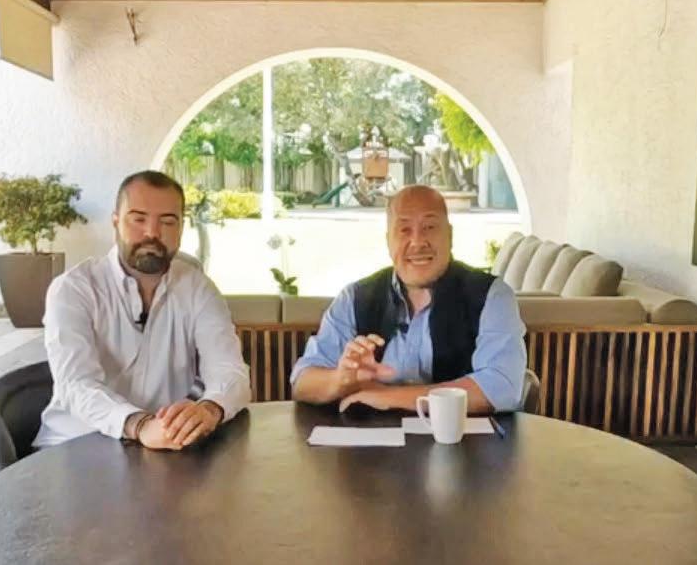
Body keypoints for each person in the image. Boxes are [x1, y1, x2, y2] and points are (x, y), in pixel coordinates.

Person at [32, 171, 250, 450]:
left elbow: (230, 370)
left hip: (163, 448)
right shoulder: (74, 289)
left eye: (168, 221)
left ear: (181, 227)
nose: (152, 233)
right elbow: (77, 385)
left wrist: (210, 408)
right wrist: (140, 424)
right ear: (115, 222)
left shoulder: (197, 287)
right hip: (74, 446)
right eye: (138, 219)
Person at [290, 185, 526, 413]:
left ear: (450, 235)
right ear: (388, 241)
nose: (418, 242)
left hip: (464, 439)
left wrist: (386, 396)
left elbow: (502, 387)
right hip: (371, 439)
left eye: (430, 227)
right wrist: (341, 379)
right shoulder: (355, 298)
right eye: (404, 230)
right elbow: (303, 381)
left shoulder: (491, 297)